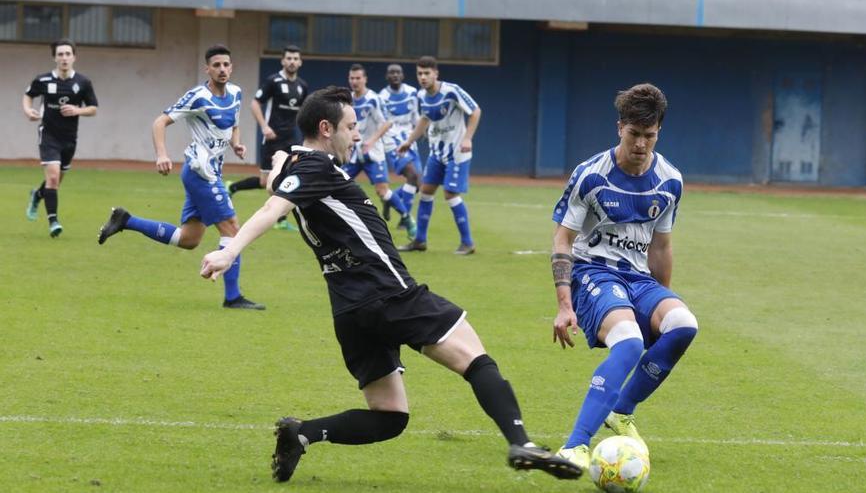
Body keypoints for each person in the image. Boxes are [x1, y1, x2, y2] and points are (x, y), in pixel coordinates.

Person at [198, 86, 582, 483]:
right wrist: (230, 252)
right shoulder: (317, 168)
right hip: (389, 293)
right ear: (326, 128)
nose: (358, 135)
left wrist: (279, 162)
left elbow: (276, 189)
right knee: (476, 358)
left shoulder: (299, 165)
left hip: (350, 310)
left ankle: (303, 433)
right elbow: (272, 207)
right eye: (351, 127)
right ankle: (522, 441)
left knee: (390, 417)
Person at [549, 83, 698, 468]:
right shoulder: (590, 175)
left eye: (649, 136)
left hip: (638, 278)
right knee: (629, 343)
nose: (641, 145)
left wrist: (658, 308)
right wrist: (564, 305)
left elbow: (661, 248)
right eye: (634, 134)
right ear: (620, 128)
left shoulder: (670, 181)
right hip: (592, 272)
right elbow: (562, 239)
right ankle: (576, 445)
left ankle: (621, 411)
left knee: (683, 324)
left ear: (658, 133)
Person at [98, 44, 264, 310]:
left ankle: (126, 220)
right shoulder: (197, 97)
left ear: (231, 67)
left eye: (226, 65)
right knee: (232, 228)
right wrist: (162, 154)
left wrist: (237, 143)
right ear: (207, 68)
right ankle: (233, 297)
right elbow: (159, 122)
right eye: (216, 65)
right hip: (201, 173)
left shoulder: (235, 92)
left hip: (210, 173)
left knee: (189, 239)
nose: (222, 69)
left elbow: (234, 123)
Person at [397, 56, 481, 255]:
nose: (423, 77)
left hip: (457, 153)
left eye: (427, 73)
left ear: (436, 74)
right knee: (425, 191)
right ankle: (419, 240)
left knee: (450, 194)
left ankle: (468, 243)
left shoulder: (451, 91)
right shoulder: (420, 96)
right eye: (420, 73)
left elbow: (476, 111)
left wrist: (467, 138)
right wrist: (409, 141)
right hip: (437, 153)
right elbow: (425, 119)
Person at [226, 44, 308, 232]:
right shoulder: (273, 81)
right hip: (273, 138)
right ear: (283, 60)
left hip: (292, 139)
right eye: (289, 58)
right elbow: (255, 103)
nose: (292, 61)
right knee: (265, 182)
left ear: (300, 62)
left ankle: (280, 220)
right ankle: (232, 187)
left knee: (289, 178)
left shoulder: (302, 86)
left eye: (295, 58)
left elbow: (304, 111)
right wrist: (264, 127)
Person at [23, 38, 98, 237]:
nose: (64, 58)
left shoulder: (83, 82)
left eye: (67, 54)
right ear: (54, 58)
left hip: (69, 139)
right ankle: (53, 222)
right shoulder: (43, 80)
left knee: (55, 182)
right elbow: (28, 95)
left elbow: (93, 109)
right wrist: (28, 110)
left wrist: (77, 110)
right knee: (53, 177)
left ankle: (37, 195)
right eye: (60, 54)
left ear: (74, 57)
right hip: (48, 134)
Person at [344, 64, 417, 239]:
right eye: (352, 78)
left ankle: (407, 218)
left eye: (358, 78)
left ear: (365, 79)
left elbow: (387, 123)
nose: (354, 81)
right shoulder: (348, 100)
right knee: (338, 183)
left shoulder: (374, 99)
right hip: (353, 153)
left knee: (382, 191)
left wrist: (371, 140)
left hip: (373, 153)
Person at [378, 64, 422, 230]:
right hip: (393, 142)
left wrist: (419, 132)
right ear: (387, 77)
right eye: (391, 73)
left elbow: (416, 116)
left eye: (398, 72)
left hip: (410, 140)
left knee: (418, 182)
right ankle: (406, 218)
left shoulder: (412, 92)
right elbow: (382, 122)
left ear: (403, 75)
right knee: (412, 175)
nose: (395, 75)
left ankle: (389, 199)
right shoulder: (382, 97)